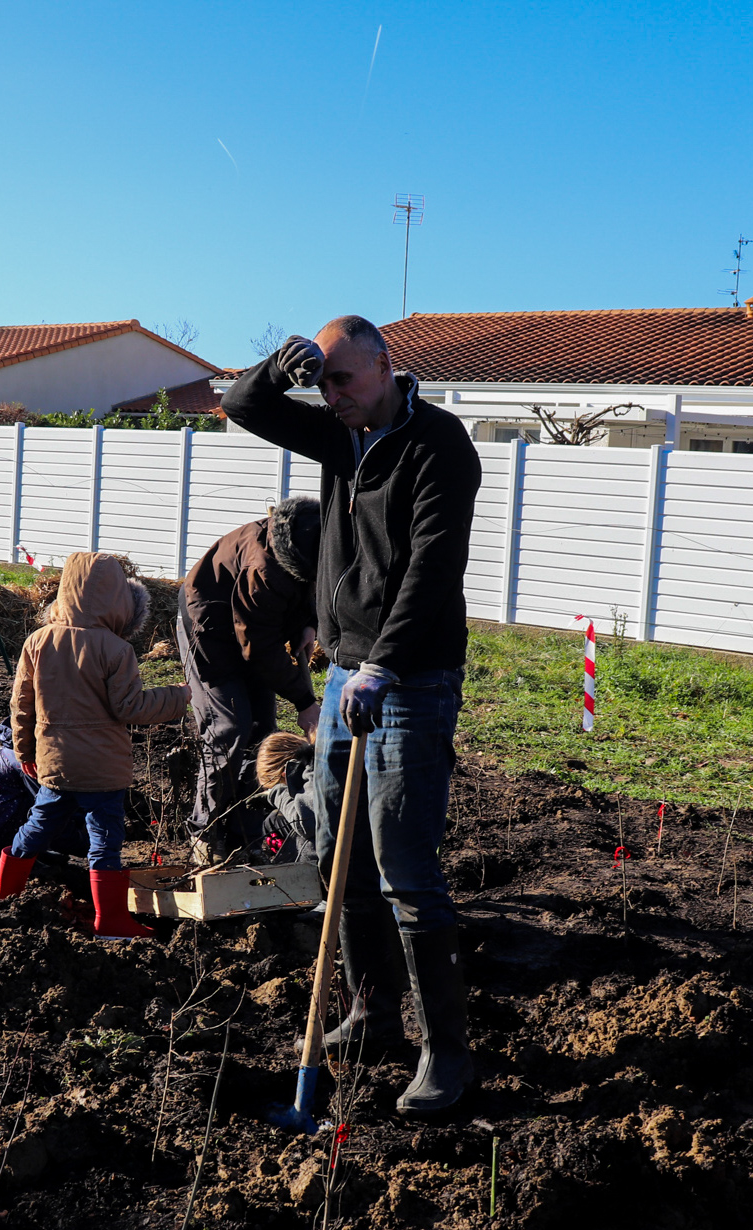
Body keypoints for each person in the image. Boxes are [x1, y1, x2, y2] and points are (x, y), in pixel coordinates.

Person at [222, 316, 481, 1115]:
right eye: (321, 382)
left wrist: (382, 663)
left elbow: (433, 567)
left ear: (384, 365)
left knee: (404, 867)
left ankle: (445, 1053)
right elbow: (241, 405)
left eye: (341, 379)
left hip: (409, 680)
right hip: (344, 677)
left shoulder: (437, 445)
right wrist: (279, 369)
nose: (329, 395)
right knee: (342, 856)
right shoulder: (342, 435)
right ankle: (371, 1014)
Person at [0, 551, 189, 940]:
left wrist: (24, 751)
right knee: (105, 841)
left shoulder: (37, 641)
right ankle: (110, 921)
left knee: (37, 826)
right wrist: (178, 696)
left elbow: (21, 705)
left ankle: (4, 896)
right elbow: (130, 707)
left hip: (55, 762)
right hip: (102, 769)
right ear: (119, 599)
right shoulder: (116, 649)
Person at [176, 497, 321, 863]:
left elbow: (317, 587)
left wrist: (309, 622)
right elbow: (259, 647)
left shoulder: (322, 537)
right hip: (210, 631)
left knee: (261, 730)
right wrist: (305, 702)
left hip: (255, 626)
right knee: (229, 726)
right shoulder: (264, 568)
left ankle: (245, 830)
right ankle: (205, 832)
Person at [0, 718, 90, 915]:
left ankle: (29, 855)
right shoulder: (28, 764)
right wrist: (85, 845)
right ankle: (17, 863)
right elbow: (51, 815)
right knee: (50, 813)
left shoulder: (9, 752)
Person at [255, 731, 317, 865]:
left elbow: (306, 823)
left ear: (285, 773)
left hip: (347, 854)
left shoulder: (314, 769)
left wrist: (276, 793)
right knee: (274, 820)